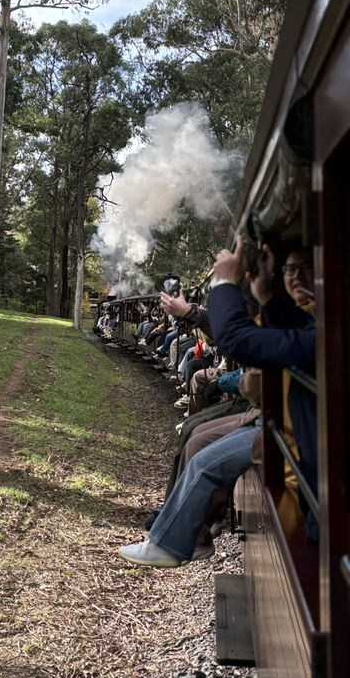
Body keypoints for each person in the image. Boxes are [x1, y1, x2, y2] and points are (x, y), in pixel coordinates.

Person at [119, 236, 316, 567]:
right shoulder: (302, 314)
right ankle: (175, 528)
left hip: (284, 428)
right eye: (290, 269)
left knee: (203, 456)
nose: (296, 277)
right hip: (275, 418)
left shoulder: (322, 321)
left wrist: (224, 284)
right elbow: (272, 327)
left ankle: (177, 537)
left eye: (305, 269)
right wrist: (266, 296)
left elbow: (238, 341)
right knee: (197, 438)